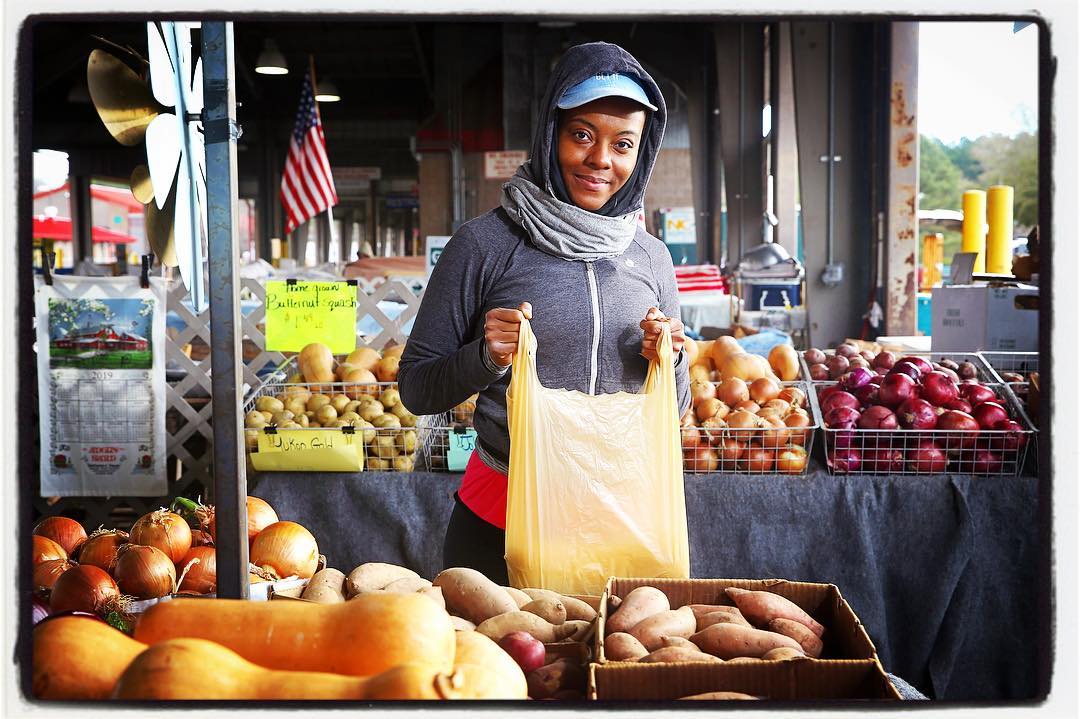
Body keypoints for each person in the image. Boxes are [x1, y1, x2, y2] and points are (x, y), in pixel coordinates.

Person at [398, 42, 691, 584]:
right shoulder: (484, 244)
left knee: (617, 643)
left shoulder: (651, 256)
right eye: (582, 135)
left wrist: (669, 360)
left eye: (622, 144)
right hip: (502, 516)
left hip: (621, 520)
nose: (601, 160)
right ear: (551, 133)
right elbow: (417, 389)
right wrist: (487, 357)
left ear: (642, 153)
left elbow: (676, 409)